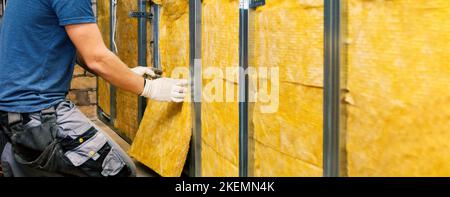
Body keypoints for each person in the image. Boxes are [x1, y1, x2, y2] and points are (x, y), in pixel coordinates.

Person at [0, 0, 188, 177]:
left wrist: (126, 73)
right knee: (118, 170)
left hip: (11, 113)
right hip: (38, 115)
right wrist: (150, 88)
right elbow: (96, 58)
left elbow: (80, 51)